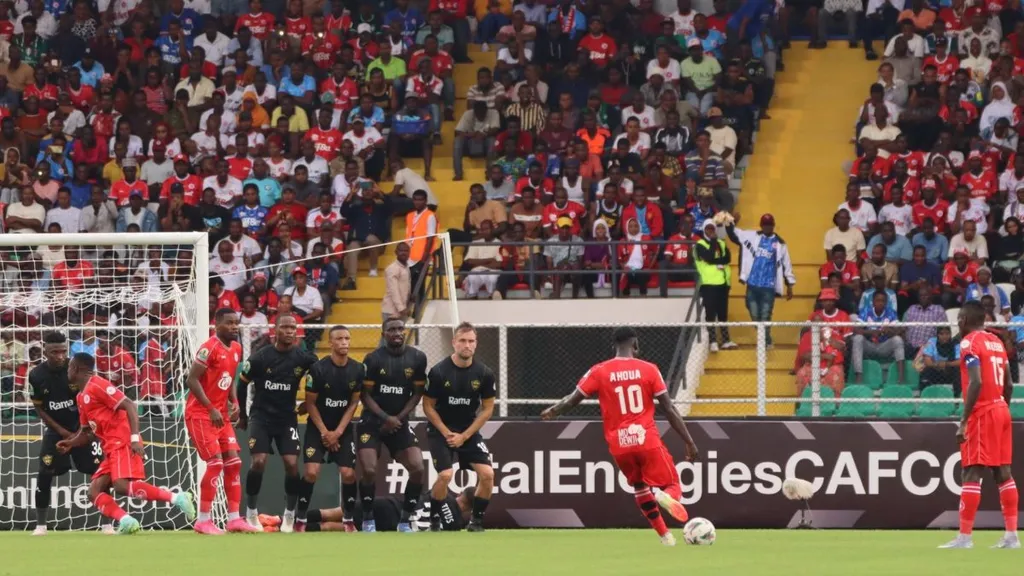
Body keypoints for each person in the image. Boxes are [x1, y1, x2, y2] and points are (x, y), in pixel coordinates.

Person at [540, 327, 700, 546]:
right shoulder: (649, 369)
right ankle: (667, 496)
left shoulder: (599, 370)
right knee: (671, 482)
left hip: (619, 445)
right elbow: (668, 409)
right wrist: (689, 442)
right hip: (646, 439)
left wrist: (553, 410)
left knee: (639, 486)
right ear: (635, 344)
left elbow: (572, 399)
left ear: (613, 346)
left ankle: (665, 536)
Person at [56, 353, 195, 534]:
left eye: (69, 367)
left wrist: (135, 438)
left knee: (121, 485)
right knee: (94, 492)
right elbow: (87, 433)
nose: (67, 371)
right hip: (110, 449)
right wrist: (71, 443)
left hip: (122, 441)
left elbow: (129, 404)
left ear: (76, 368)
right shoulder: (81, 398)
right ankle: (127, 521)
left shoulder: (98, 384)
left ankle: (177, 498)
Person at [939, 301, 1018, 549]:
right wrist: (1001, 407)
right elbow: (1009, 385)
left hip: (983, 412)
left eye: (959, 318)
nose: (957, 323)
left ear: (963, 319)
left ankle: (964, 537)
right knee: (1003, 472)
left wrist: (964, 420)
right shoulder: (997, 342)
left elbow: (976, 382)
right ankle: (1012, 537)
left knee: (971, 471)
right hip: (1002, 409)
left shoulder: (969, 342)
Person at [236, 315, 318, 533]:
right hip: (260, 417)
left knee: (292, 464)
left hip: (286, 419)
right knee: (258, 462)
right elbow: (241, 385)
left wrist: (308, 404)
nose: (290, 331)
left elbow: (321, 376)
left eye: (293, 327)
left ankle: (289, 515)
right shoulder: (260, 357)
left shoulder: (303, 358)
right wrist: (243, 415)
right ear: (275, 330)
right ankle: (251, 512)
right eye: (285, 327)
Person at [29, 332, 109, 536]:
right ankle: (41, 525)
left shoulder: (75, 370)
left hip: (82, 430)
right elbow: (40, 408)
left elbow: (90, 399)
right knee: (44, 472)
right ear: (44, 350)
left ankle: (107, 523)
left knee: (100, 472)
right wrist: (62, 431)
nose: (60, 356)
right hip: (57, 431)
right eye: (55, 352)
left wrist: (83, 429)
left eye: (63, 351)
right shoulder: (36, 375)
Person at [184, 308, 256, 534]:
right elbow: (191, 379)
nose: (235, 326)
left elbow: (230, 378)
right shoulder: (209, 348)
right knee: (215, 464)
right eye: (229, 323)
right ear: (217, 324)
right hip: (200, 414)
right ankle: (203, 520)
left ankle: (234, 519)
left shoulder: (236, 348)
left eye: (236, 322)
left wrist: (234, 402)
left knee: (233, 463)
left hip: (221, 416)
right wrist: (210, 407)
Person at [422, 322, 495, 532]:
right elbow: (427, 406)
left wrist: (464, 436)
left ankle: (476, 522)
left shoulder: (484, 373)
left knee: (488, 475)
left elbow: (488, 409)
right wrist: (447, 433)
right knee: (445, 475)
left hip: (468, 433)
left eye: (471, 341)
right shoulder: (438, 372)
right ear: (454, 343)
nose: (467, 345)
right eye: (462, 341)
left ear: (476, 344)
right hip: (440, 432)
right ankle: (434, 519)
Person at [358, 317, 428, 532]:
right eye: (392, 329)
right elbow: (364, 395)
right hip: (372, 422)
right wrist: (385, 418)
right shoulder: (373, 359)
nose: (397, 332)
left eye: (400, 329)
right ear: (384, 334)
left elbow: (418, 393)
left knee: (417, 468)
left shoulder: (417, 358)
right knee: (369, 470)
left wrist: (398, 418)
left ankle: (405, 520)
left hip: (399, 423)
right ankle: (368, 519)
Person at [296, 326, 365, 533]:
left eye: (347, 338)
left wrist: (338, 432)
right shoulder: (318, 369)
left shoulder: (358, 369)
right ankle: (300, 518)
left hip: (341, 431)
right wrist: (326, 432)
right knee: (311, 473)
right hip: (318, 429)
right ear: (330, 343)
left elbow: (354, 404)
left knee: (349, 473)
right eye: (340, 339)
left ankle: (349, 520)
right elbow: (310, 404)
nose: (344, 342)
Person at [727, 213, 796, 348]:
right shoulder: (751, 236)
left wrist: (790, 285)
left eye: (769, 225)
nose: (767, 227)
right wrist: (731, 221)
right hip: (752, 284)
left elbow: (786, 264)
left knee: (765, 315)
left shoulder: (780, 244)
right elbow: (733, 234)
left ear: (773, 225)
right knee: (754, 314)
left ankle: (764, 342)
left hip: (768, 286)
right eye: (765, 224)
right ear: (761, 225)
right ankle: (767, 339)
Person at [304, 489, 474, 531]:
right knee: (342, 528)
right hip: (394, 524)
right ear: (470, 509)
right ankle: (305, 529)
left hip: (390, 505)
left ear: (460, 492)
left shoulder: (443, 494)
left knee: (335, 513)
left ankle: (285, 521)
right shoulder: (457, 524)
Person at [695, 219, 734, 351]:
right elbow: (709, 257)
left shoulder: (721, 243)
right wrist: (712, 242)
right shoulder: (699, 245)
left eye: (712, 229)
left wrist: (714, 260)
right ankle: (713, 341)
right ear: (704, 230)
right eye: (708, 229)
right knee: (710, 314)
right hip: (709, 284)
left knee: (723, 314)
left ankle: (726, 340)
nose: (711, 231)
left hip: (723, 284)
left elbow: (727, 258)